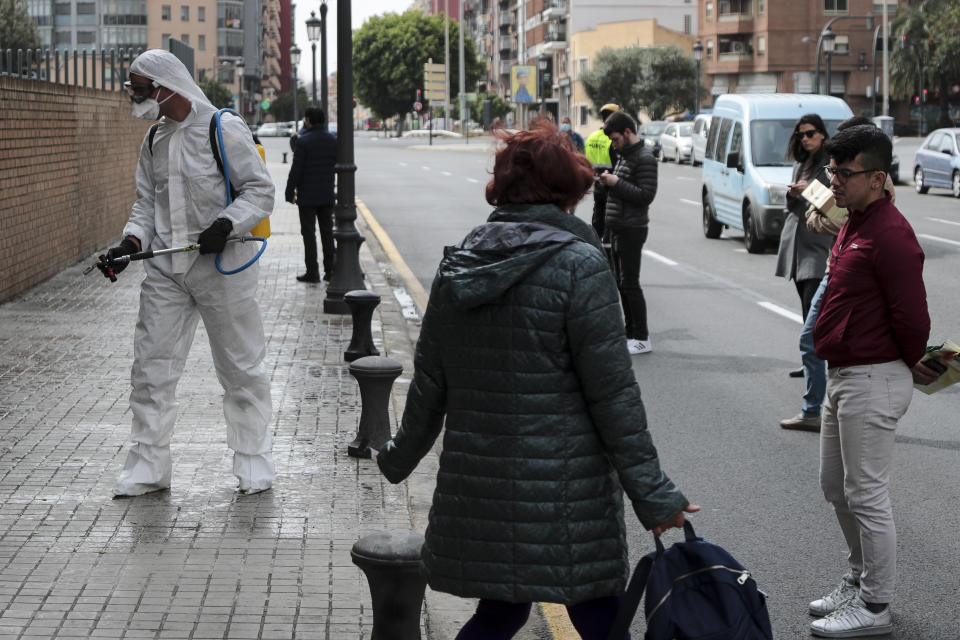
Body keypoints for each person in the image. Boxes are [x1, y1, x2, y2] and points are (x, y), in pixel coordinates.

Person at [374, 119, 698, 640]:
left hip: (482, 486)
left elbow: (429, 382)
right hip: (566, 494)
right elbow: (614, 396)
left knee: (502, 612)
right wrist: (655, 496)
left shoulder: (459, 266)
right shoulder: (580, 266)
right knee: (597, 616)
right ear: (568, 189)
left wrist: (397, 456)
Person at [103, 49, 276, 497]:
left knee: (240, 367)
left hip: (223, 269)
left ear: (165, 86)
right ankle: (148, 466)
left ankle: (253, 460)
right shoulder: (154, 139)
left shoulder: (222, 127)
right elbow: (146, 203)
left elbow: (258, 190)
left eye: (140, 90)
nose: (136, 98)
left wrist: (226, 223)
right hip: (167, 269)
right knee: (151, 367)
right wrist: (130, 243)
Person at [807, 124, 940, 638]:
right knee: (835, 489)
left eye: (844, 173)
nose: (835, 181)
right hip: (842, 374)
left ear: (878, 177)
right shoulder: (855, 221)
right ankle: (859, 579)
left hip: (873, 377)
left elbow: (913, 319)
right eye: (831, 171)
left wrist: (913, 360)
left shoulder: (891, 235)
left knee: (866, 494)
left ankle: (876, 605)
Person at [780, 117, 896, 433]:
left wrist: (815, 197)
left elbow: (835, 220)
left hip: (842, 268)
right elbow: (819, 220)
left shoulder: (872, 181)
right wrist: (817, 203)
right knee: (820, 339)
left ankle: (823, 409)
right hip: (836, 264)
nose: (835, 178)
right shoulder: (830, 172)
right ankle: (822, 409)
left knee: (818, 338)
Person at [775, 114, 834, 390]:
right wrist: (793, 193)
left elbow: (834, 205)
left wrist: (808, 190)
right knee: (805, 306)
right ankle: (809, 360)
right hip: (798, 243)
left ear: (822, 133)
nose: (805, 139)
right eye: (801, 135)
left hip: (818, 243)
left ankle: (816, 362)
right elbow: (791, 207)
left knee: (814, 307)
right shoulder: (802, 163)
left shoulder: (829, 163)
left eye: (810, 133)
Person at [598, 111, 657, 355]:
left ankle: (641, 337)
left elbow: (646, 195)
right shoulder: (624, 156)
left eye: (616, 139)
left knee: (631, 283)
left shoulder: (644, 159)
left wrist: (615, 183)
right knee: (622, 284)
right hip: (618, 227)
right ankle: (630, 332)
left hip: (632, 228)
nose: (614, 144)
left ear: (628, 132)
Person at [285, 106, 337, 283]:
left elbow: (296, 169)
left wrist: (289, 191)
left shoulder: (303, 141)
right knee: (327, 233)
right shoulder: (332, 140)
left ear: (307, 120)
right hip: (327, 194)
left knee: (309, 235)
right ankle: (330, 271)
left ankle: (312, 272)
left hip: (307, 196)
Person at [584, 103, 620, 240]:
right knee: (611, 214)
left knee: (598, 211)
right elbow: (617, 162)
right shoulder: (612, 138)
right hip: (611, 181)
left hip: (597, 181)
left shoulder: (591, 137)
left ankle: (596, 239)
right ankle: (608, 243)